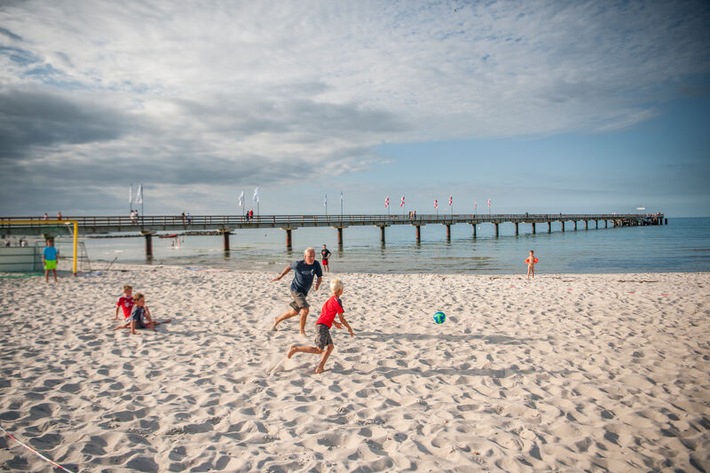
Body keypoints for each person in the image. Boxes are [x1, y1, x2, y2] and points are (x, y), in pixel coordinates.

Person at [287, 278, 354, 374]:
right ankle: (295, 349)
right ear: (340, 290)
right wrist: (349, 328)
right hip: (322, 326)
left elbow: (326, 313)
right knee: (319, 350)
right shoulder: (338, 301)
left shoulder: (330, 300)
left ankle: (320, 367)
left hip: (322, 325)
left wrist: (334, 323)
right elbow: (342, 318)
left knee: (330, 347)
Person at [271, 247, 323, 336]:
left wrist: (317, 284)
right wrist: (280, 277)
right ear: (305, 256)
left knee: (294, 312)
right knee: (305, 310)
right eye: (310, 256)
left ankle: (278, 319)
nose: (312, 258)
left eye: (313, 256)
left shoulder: (316, 264)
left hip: (304, 292)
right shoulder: (298, 264)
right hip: (296, 290)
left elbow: (319, 276)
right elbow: (288, 267)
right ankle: (302, 331)